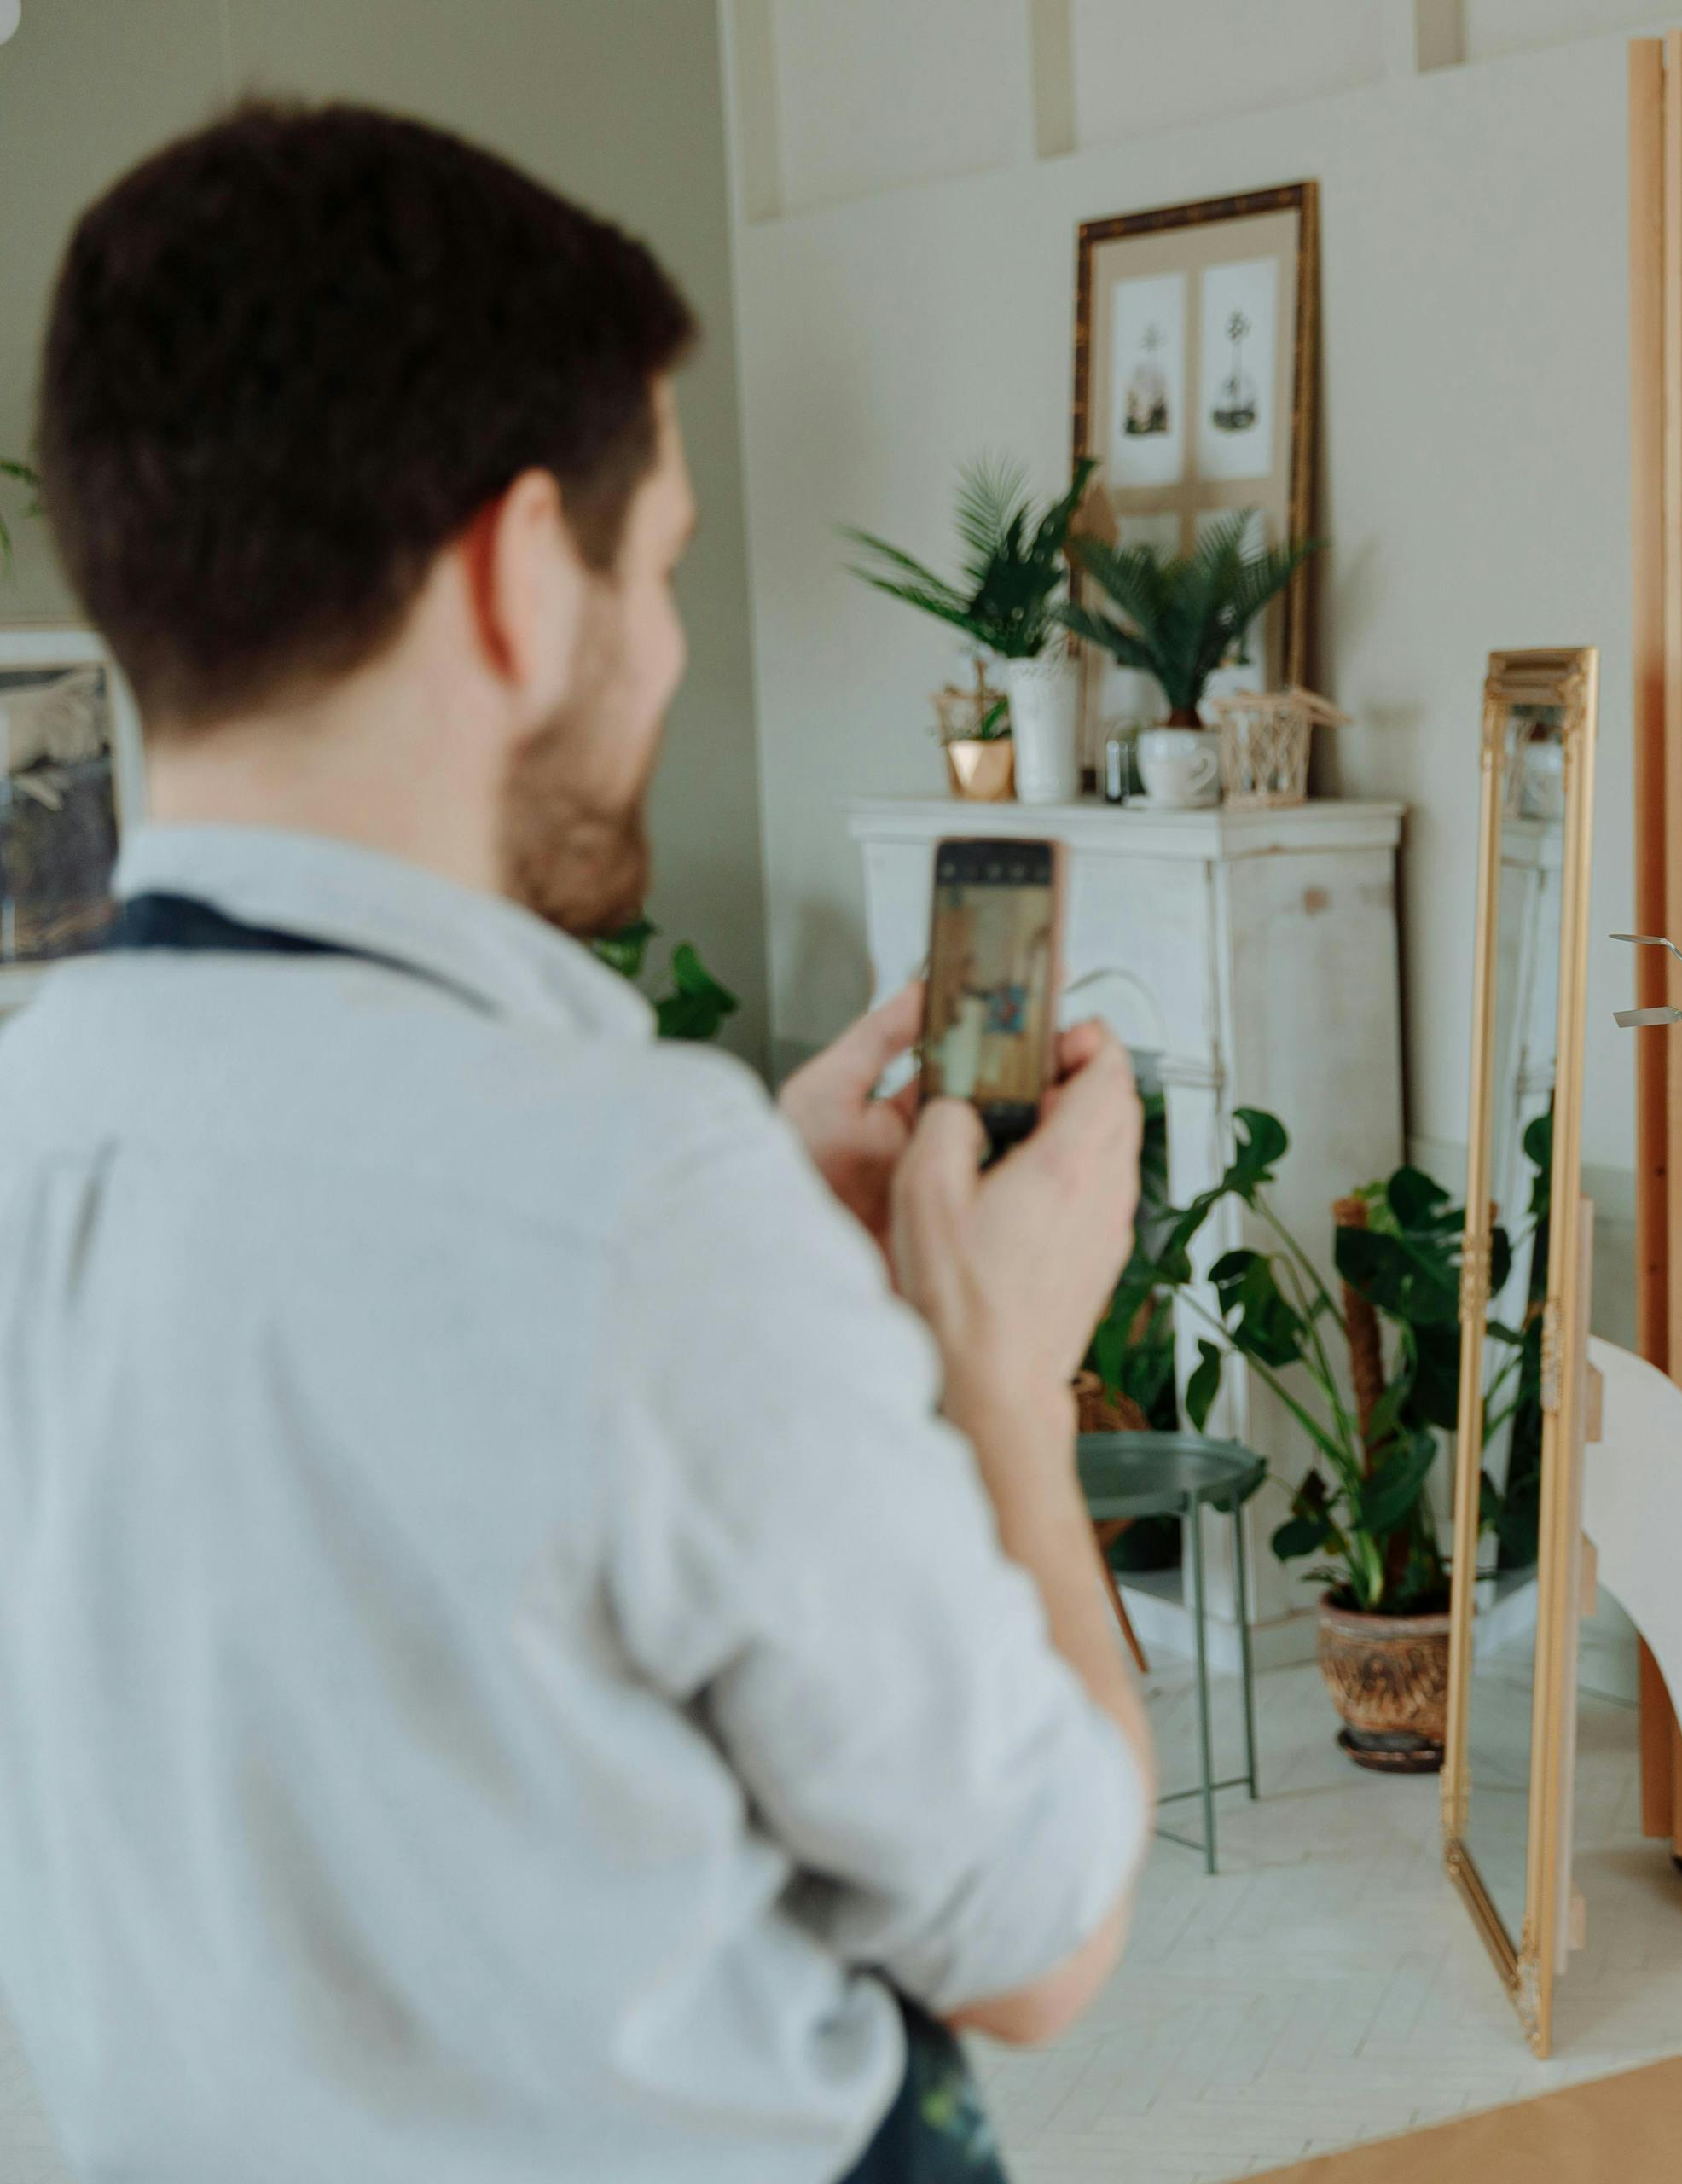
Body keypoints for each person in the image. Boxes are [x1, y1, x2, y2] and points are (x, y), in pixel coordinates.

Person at [0, 104, 1151, 2184]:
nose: (672, 643)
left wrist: (752, 1254)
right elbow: (1040, 1925)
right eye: (665, 565)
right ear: (526, 569)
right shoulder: (631, 1201)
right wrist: (1003, 1378)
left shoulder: (40, 1121)